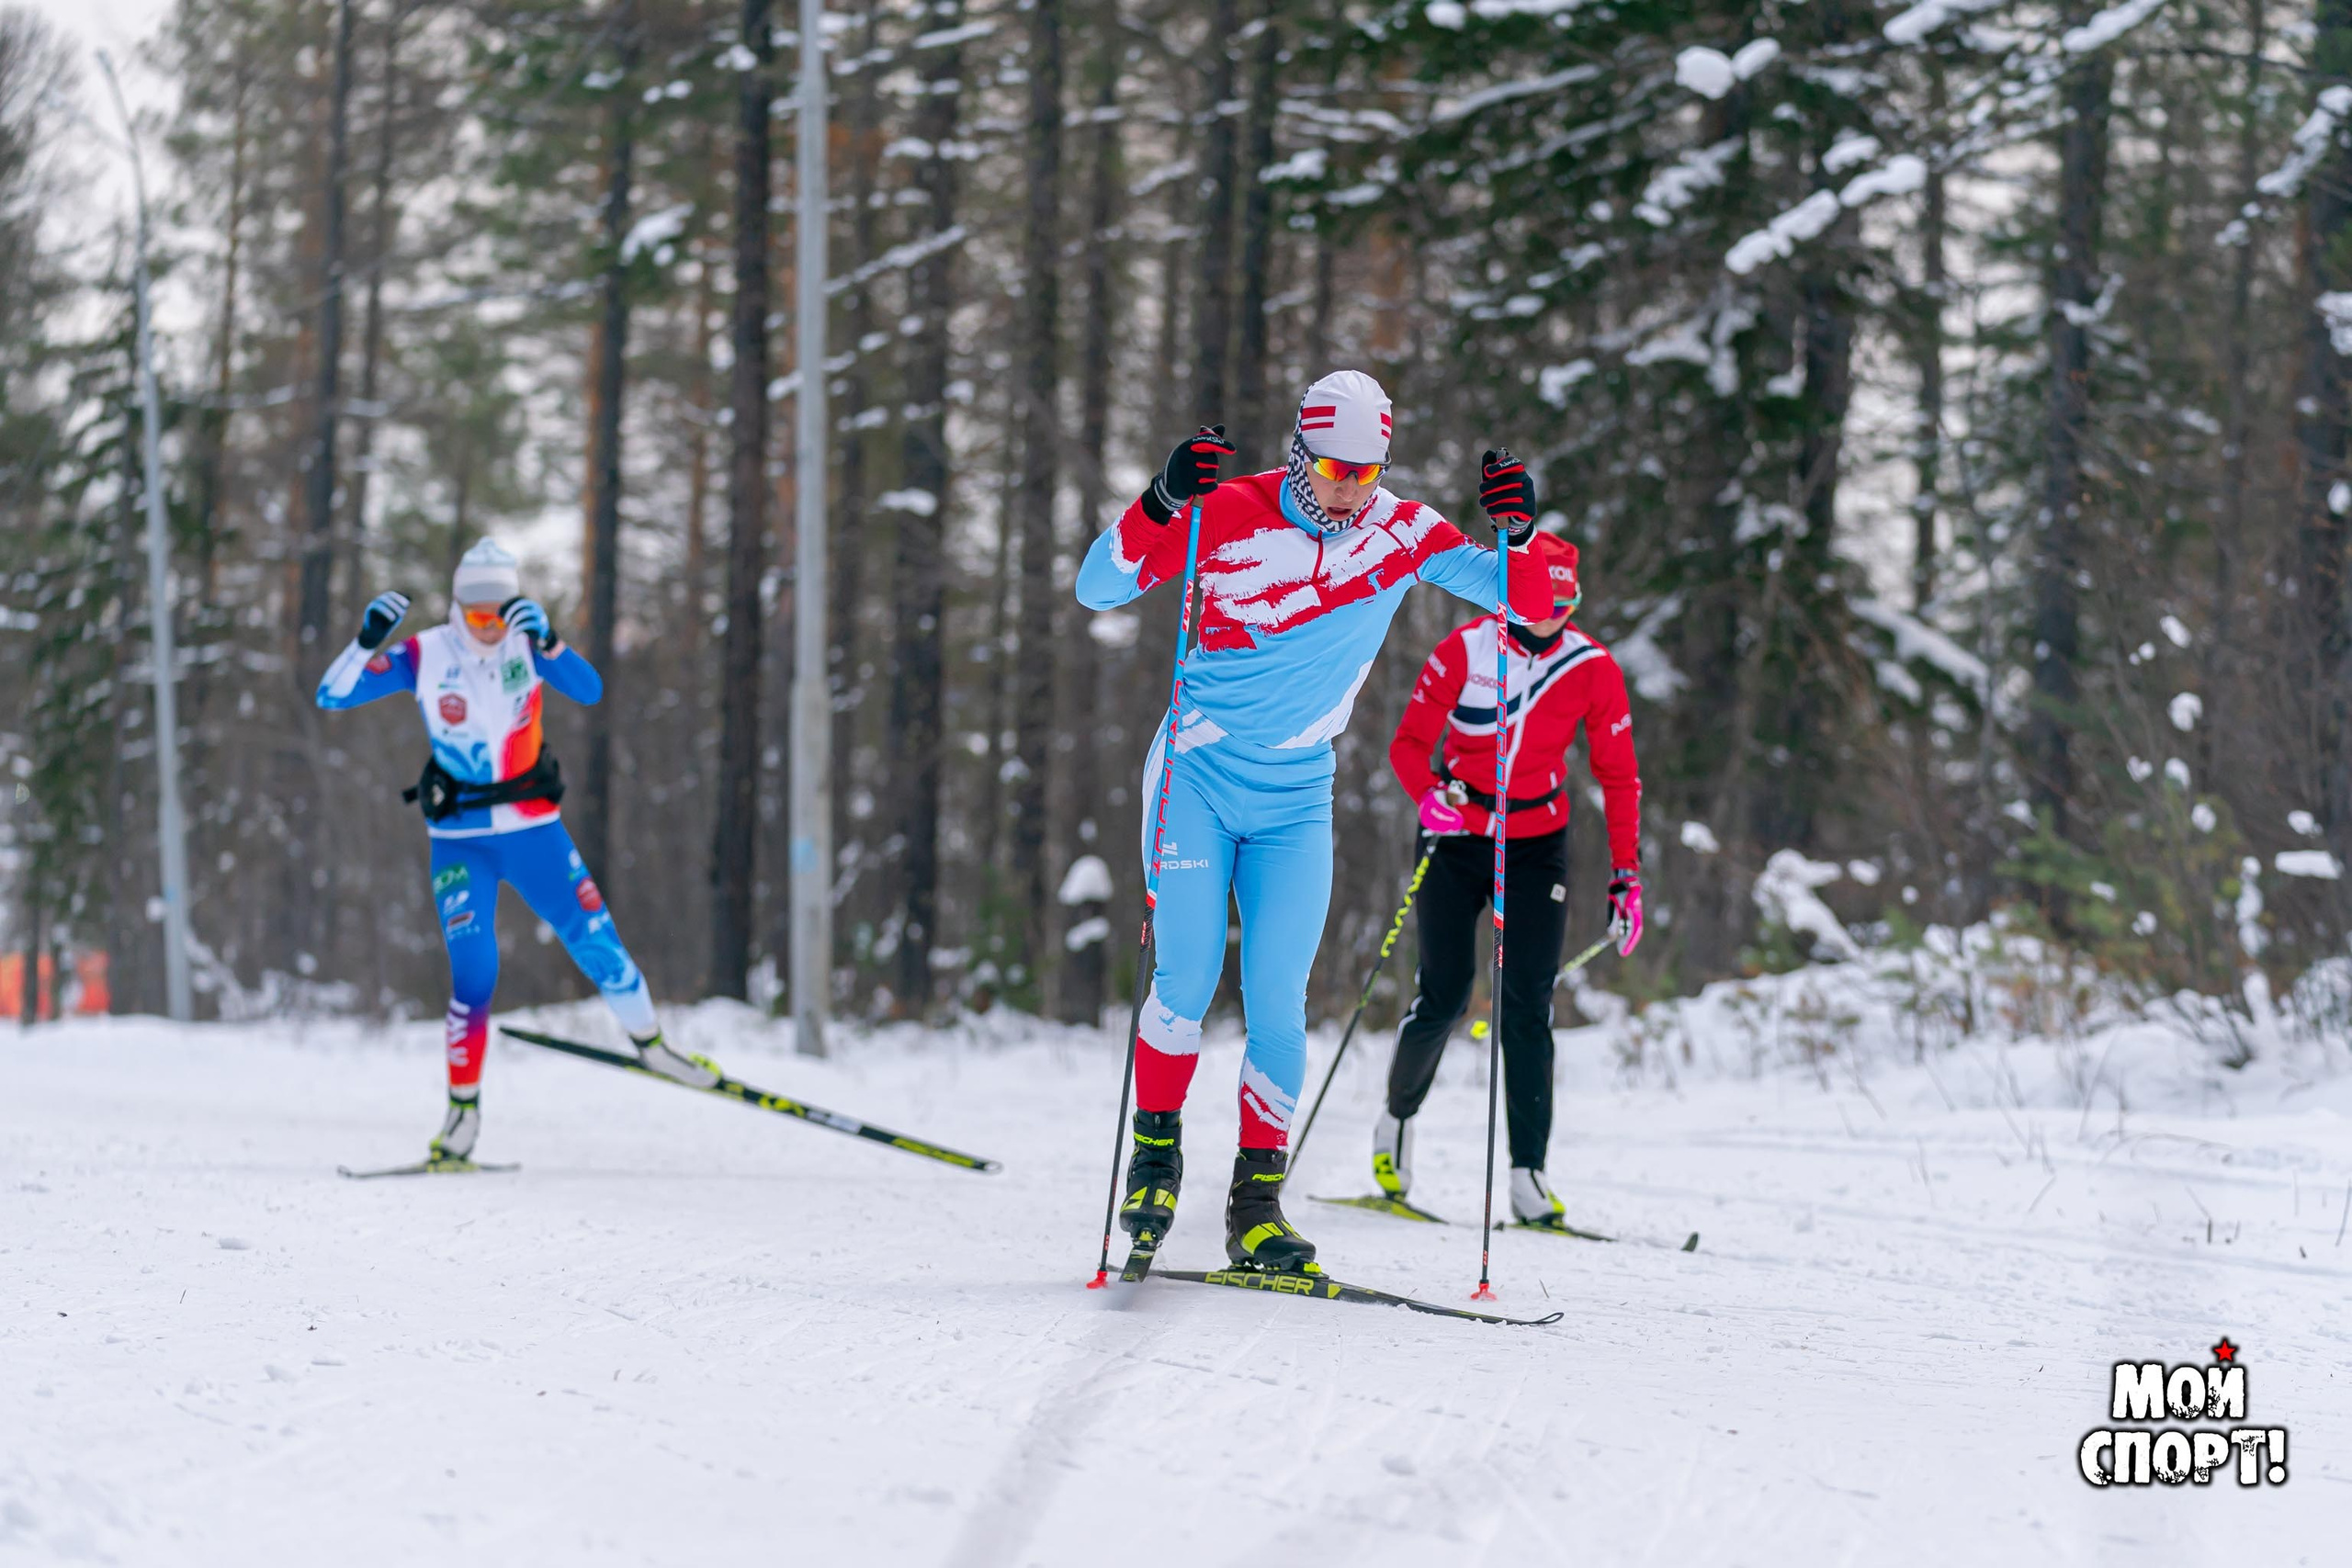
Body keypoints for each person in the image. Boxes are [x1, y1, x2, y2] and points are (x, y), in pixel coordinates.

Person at [1076, 368, 1555, 1273]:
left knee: (1278, 1002)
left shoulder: (1402, 532)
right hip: (1198, 775)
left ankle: (1256, 1208)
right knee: (1182, 980)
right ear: (1299, 449)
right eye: (1334, 466)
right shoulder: (1225, 511)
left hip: (1296, 795)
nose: (1348, 488)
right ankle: (1153, 1166)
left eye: (1367, 472)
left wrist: (1522, 534)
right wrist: (1162, 499)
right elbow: (1098, 588)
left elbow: (1527, 605)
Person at [315, 538, 717, 1165]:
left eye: (497, 612)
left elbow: (588, 689)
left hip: (536, 833)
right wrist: (366, 642)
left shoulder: (528, 643)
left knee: (596, 940)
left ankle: (653, 1044)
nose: (486, 625)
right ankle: (462, 1116)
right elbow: (331, 696)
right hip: (461, 842)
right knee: (476, 971)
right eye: (474, 612)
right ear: (456, 606)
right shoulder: (426, 652)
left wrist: (553, 641)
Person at [1374, 531, 1645, 1228]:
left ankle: (1528, 1174)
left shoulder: (1591, 667)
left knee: (1526, 1002)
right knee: (1447, 993)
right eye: (1537, 599)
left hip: (1536, 843)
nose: (1548, 613)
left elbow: (1619, 775)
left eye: (1563, 602)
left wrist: (1626, 874)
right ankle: (1396, 1126)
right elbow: (1408, 745)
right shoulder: (1466, 649)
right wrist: (1428, 795)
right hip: (1458, 832)